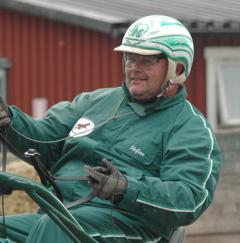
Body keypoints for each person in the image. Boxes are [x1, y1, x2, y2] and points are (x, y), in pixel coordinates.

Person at [0, 15, 222, 243]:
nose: (133, 68)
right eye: (130, 58)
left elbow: (190, 199)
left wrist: (128, 188)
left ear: (178, 67)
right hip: (62, 213)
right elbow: (44, 142)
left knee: (56, 229)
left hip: (131, 226)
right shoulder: (93, 102)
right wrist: (10, 122)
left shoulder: (190, 128)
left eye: (145, 61)